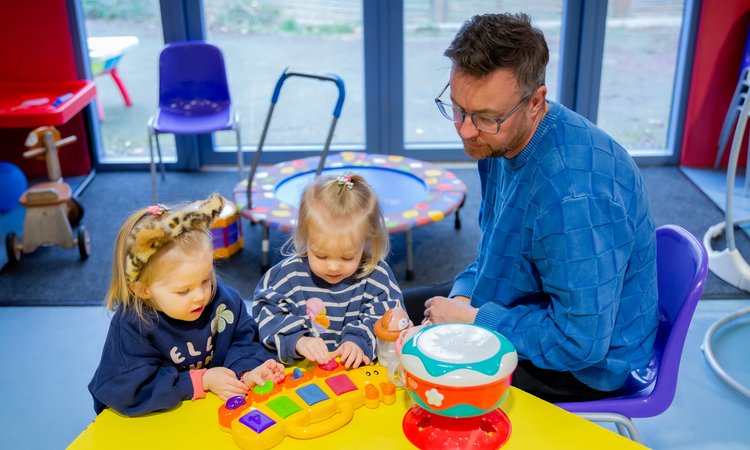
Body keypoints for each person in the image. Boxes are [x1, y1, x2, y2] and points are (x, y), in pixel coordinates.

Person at [405, 13, 659, 403]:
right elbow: (491, 252)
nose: (465, 130)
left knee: (419, 374)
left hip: (585, 367)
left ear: (536, 102)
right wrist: (462, 297)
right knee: (390, 306)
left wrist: (474, 321)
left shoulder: (575, 197)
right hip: (526, 307)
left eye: (486, 118)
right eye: (457, 108)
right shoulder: (496, 139)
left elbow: (580, 344)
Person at [89, 193, 285, 416]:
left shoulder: (220, 299)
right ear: (142, 289)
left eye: (206, 279)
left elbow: (243, 337)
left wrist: (247, 370)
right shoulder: (132, 325)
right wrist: (200, 381)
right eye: (183, 291)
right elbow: (129, 388)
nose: (200, 296)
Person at [253, 173, 405, 369]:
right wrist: (298, 340)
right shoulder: (286, 277)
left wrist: (358, 341)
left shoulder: (376, 276)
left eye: (347, 257)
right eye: (321, 256)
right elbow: (266, 316)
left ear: (366, 242)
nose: (333, 267)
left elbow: (389, 319)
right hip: (301, 373)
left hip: (354, 373)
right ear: (304, 238)